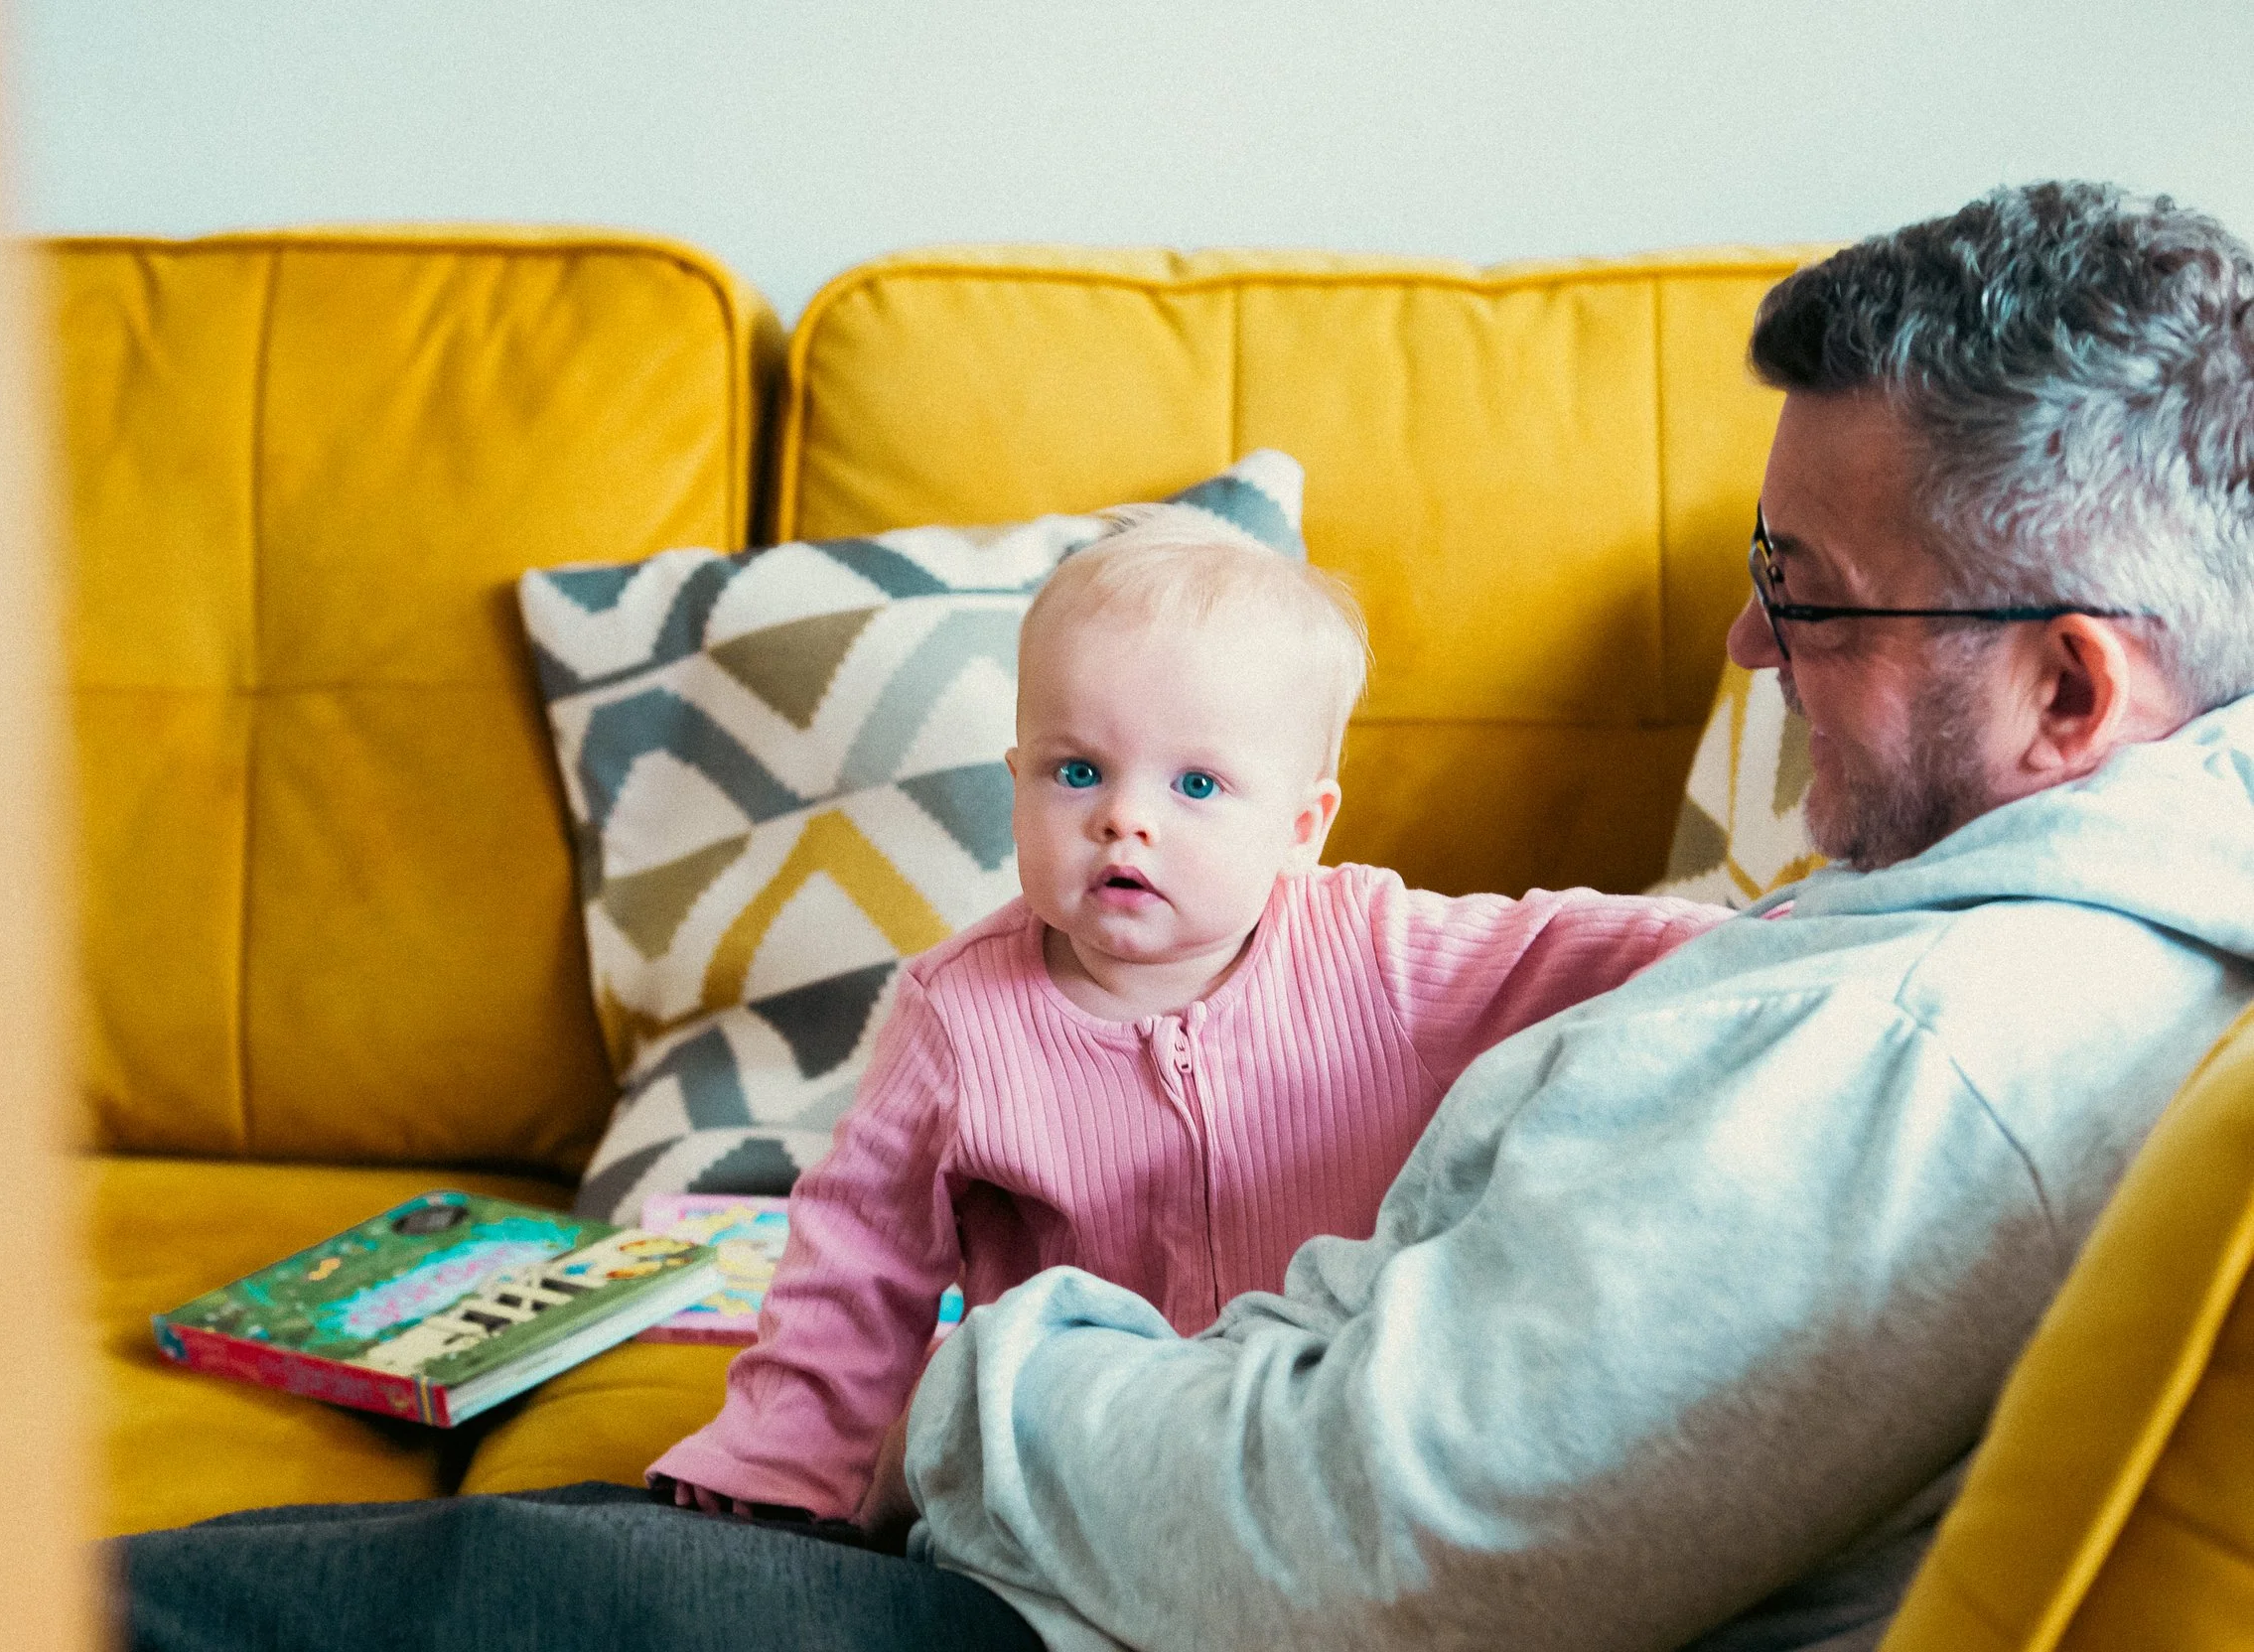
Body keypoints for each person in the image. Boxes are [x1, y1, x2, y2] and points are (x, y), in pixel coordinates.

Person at [119, 181, 2254, 1652]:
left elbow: (1370, 1547)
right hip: (1120, 1524)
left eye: (1803, 590)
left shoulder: (1930, 1062)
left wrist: (980, 1383)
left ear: (2068, 686)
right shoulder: (2031, 924)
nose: (1741, 632)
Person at [649, 512, 1726, 1523]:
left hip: (1323, 1431)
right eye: (1077, 771)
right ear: (1014, 778)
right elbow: (856, 1254)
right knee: (944, 1464)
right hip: (1075, 1464)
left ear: (1300, 826)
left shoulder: (1376, 950)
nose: (1126, 817)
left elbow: (1568, 946)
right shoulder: (958, 1010)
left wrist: (1772, 935)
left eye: (1197, 784)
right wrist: (784, 1460)